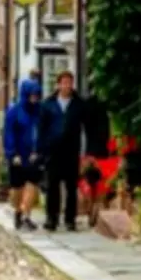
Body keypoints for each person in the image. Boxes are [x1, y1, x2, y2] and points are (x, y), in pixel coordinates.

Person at [38, 70, 87, 232]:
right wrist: (41, 150)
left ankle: (70, 219)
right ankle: (52, 218)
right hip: (53, 151)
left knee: (71, 187)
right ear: (58, 85)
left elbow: (84, 127)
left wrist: (84, 151)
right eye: (64, 83)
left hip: (71, 151)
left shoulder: (78, 105)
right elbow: (42, 129)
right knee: (53, 186)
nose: (67, 86)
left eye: (69, 83)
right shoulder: (48, 105)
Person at [3, 76, 42, 231]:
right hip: (18, 155)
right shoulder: (14, 112)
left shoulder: (39, 111)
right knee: (17, 188)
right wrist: (12, 153)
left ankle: (26, 215)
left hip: (33, 155)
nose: (35, 97)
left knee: (32, 184)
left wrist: (38, 151)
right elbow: (9, 133)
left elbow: (41, 132)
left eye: (37, 94)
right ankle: (18, 211)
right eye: (32, 94)